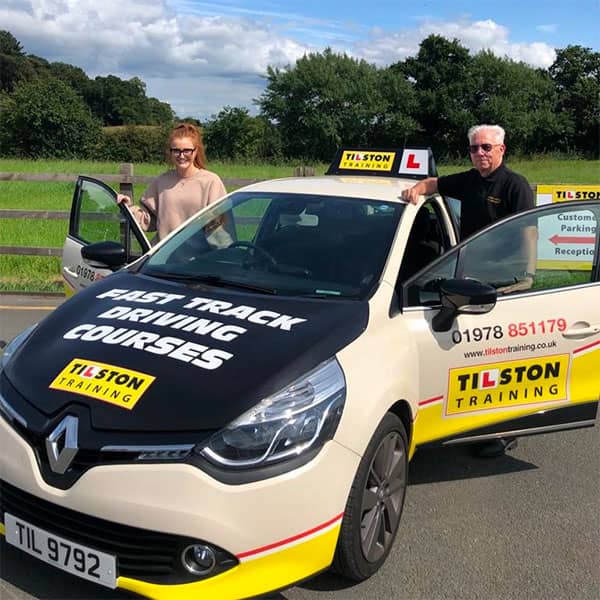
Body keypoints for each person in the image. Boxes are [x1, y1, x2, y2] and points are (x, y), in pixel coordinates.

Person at [401, 124, 537, 458]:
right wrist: (420, 186)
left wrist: (527, 278)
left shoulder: (515, 186)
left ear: (501, 150)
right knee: (477, 358)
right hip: (471, 278)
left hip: (505, 282)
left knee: (505, 361)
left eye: (487, 148)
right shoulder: (469, 180)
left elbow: (529, 233)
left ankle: (504, 432)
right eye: (475, 148)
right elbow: (435, 183)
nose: (480, 154)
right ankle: (471, 419)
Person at [117, 122, 227, 243]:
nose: (181, 155)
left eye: (187, 151)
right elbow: (148, 221)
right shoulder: (161, 181)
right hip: (165, 257)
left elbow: (219, 226)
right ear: (170, 152)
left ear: (196, 151)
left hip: (198, 258)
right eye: (176, 151)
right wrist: (128, 206)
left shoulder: (211, 182)